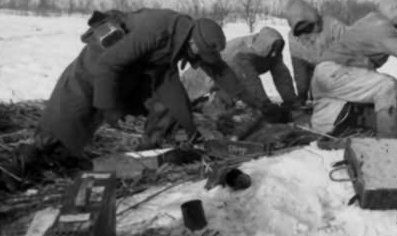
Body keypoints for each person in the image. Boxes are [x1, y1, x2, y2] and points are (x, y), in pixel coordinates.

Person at [31, 8, 271, 159]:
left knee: (167, 105)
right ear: (194, 44)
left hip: (134, 70)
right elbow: (108, 65)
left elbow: (218, 70)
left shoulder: (187, 37)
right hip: (99, 63)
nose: (198, 62)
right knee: (71, 117)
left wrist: (255, 102)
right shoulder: (158, 31)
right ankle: (30, 158)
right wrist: (109, 107)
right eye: (199, 56)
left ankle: (148, 152)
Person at [311, 0, 397, 137]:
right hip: (336, 73)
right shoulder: (380, 26)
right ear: (395, 10)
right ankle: (387, 143)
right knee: (387, 86)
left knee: (325, 131)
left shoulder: (371, 20)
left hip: (326, 76)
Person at [182, 26, 299, 116]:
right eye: (273, 49)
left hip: (230, 74)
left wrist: (290, 100)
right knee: (191, 100)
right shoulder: (243, 52)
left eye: (278, 49)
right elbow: (250, 80)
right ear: (263, 45)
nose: (275, 53)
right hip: (206, 70)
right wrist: (264, 104)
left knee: (235, 98)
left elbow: (281, 75)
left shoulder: (274, 53)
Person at [283, 0, 346, 104]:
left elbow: (350, 54)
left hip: (337, 71)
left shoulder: (333, 26)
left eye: (307, 27)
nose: (305, 34)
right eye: (300, 30)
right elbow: (299, 67)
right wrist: (302, 93)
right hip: (315, 69)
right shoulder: (293, 38)